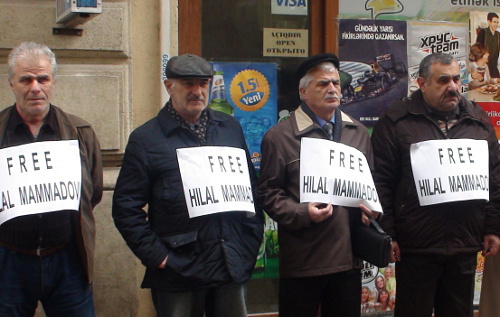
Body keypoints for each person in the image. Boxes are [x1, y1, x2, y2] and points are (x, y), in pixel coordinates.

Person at [112, 54, 263, 317]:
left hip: (230, 262)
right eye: (188, 84)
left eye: (203, 83)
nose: (198, 91)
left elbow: (251, 189)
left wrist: (250, 241)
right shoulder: (146, 140)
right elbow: (126, 208)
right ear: (169, 86)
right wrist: (159, 257)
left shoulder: (229, 127)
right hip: (179, 270)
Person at [371, 52, 500, 317]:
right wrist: (389, 234)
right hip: (417, 244)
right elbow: (381, 181)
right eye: (443, 80)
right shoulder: (396, 122)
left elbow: (494, 177)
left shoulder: (478, 121)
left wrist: (492, 228)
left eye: (456, 79)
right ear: (422, 83)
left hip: (464, 242)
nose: (452, 86)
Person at [257, 53, 376, 317]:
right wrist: (302, 212)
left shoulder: (357, 132)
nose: (332, 89)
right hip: (304, 261)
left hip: (348, 260)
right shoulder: (280, 137)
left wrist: (371, 209)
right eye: (323, 84)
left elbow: (370, 184)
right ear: (303, 91)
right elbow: (268, 192)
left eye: (336, 83)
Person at [0, 41, 103, 316]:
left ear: (53, 81)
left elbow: (91, 193)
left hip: (67, 260)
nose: (35, 87)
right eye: (26, 79)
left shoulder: (80, 132)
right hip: (9, 262)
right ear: (11, 83)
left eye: (42, 78)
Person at [476, 12, 500, 78]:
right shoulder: (483, 32)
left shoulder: (498, 35)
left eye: (497, 22)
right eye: (494, 22)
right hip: (484, 68)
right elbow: (477, 49)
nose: (496, 24)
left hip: (494, 68)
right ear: (489, 22)